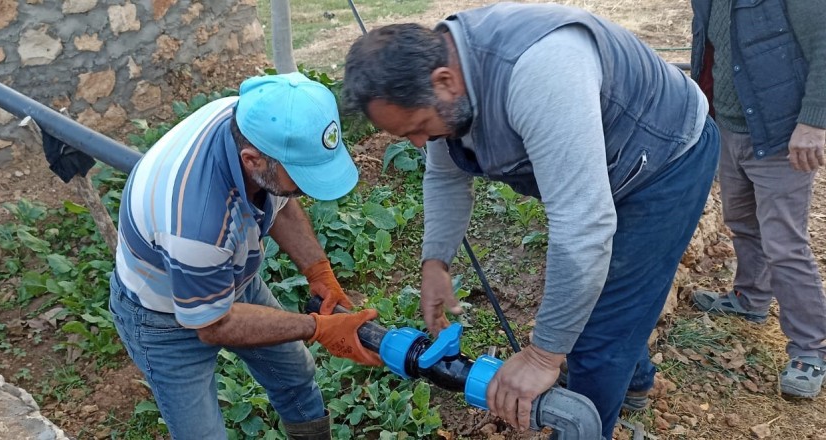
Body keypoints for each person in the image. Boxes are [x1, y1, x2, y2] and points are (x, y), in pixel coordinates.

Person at [341, 3, 720, 438]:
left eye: (419, 127)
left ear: (444, 81)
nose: (419, 142)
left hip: (665, 158)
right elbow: (445, 176)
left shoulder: (542, 71)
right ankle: (633, 380)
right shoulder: (444, 78)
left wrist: (543, 356)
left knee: (595, 336)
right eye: (406, 135)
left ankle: (587, 421)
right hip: (609, 162)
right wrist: (435, 262)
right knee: (601, 300)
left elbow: (584, 230)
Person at [108, 72, 382, 440]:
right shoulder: (195, 220)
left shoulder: (255, 123)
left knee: (295, 375)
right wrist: (317, 328)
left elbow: (281, 202)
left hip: (233, 282)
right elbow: (215, 324)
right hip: (163, 316)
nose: (307, 189)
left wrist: (319, 271)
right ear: (251, 160)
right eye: (301, 176)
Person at [689, 0, 826, 398]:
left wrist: (815, 121)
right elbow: (707, 51)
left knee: (784, 244)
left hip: (782, 133)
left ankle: (810, 347)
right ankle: (750, 297)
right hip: (729, 126)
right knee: (742, 222)